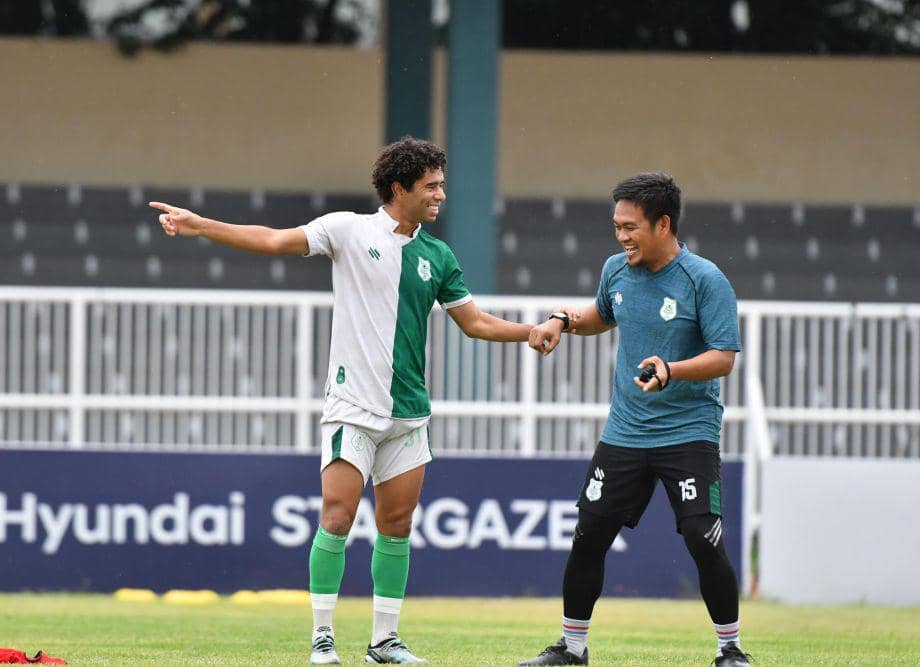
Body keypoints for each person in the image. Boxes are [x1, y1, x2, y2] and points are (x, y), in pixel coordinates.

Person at [150, 137, 533, 665]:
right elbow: (272, 240)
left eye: (441, 184)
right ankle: (323, 638)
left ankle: (384, 640)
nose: (441, 194)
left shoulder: (437, 255)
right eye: (432, 186)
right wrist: (203, 226)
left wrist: (531, 332)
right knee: (337, 516)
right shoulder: (348, 230)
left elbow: (476, 323)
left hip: (408, 414)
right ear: (399, 188)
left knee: (397, 526)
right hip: (352, 406)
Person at [519, 173, 751, 667]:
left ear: (663, 223)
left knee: (701, 538)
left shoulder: (704, 279)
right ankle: (572, 649)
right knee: (588, 536)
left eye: (630, 227)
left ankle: (730, 650)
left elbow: (725, 356)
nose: (621, 236)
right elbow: (602, 314)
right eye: (616, 226)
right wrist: (562, 319)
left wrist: (671, 370)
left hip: (688, 432)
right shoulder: (616, 270)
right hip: (624, 432)